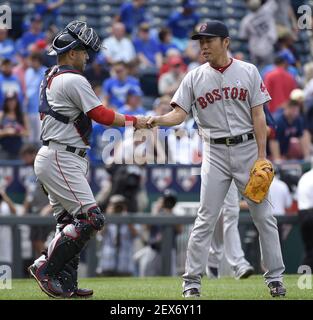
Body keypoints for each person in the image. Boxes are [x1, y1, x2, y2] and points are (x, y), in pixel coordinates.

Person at [146, 20, 286, 298]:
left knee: (264, 217)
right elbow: (178, 114)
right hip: (215, 152)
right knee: (205, 218)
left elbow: (259, 117)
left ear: (226, 41)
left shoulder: (248, 71)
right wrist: (157, 120)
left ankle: (275, 278)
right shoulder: (194, 76)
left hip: (247, 150)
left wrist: (262, 157)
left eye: (209, 40)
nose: (204, 45)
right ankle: (192, 283)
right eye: (201, 41)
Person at [27, 20, 147, 299]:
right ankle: (45, 267)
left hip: (59, 154)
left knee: (68, 222)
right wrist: (138, 122)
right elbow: (103, 115)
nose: (87, 57)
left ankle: (66, 284)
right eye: (83, 51)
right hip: (61, 155)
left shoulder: (51, 74)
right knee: (91, 218)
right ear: (71, 52)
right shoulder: (73, 79)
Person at [97, 194, 140, 276]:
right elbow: (100, 234)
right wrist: (109, 217)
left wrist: (126, 219)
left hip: (125, 264)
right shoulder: (105, 220)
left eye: (120, 205)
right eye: (115, 205)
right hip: (107, 263)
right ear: (109, 206)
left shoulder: (129, 219)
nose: (118, 208)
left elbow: (136, 235)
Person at [297, 166, 313, 270]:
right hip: (311, 213)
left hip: (303, 214)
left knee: (309, 250)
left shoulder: (304, 177)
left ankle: (304, 281)